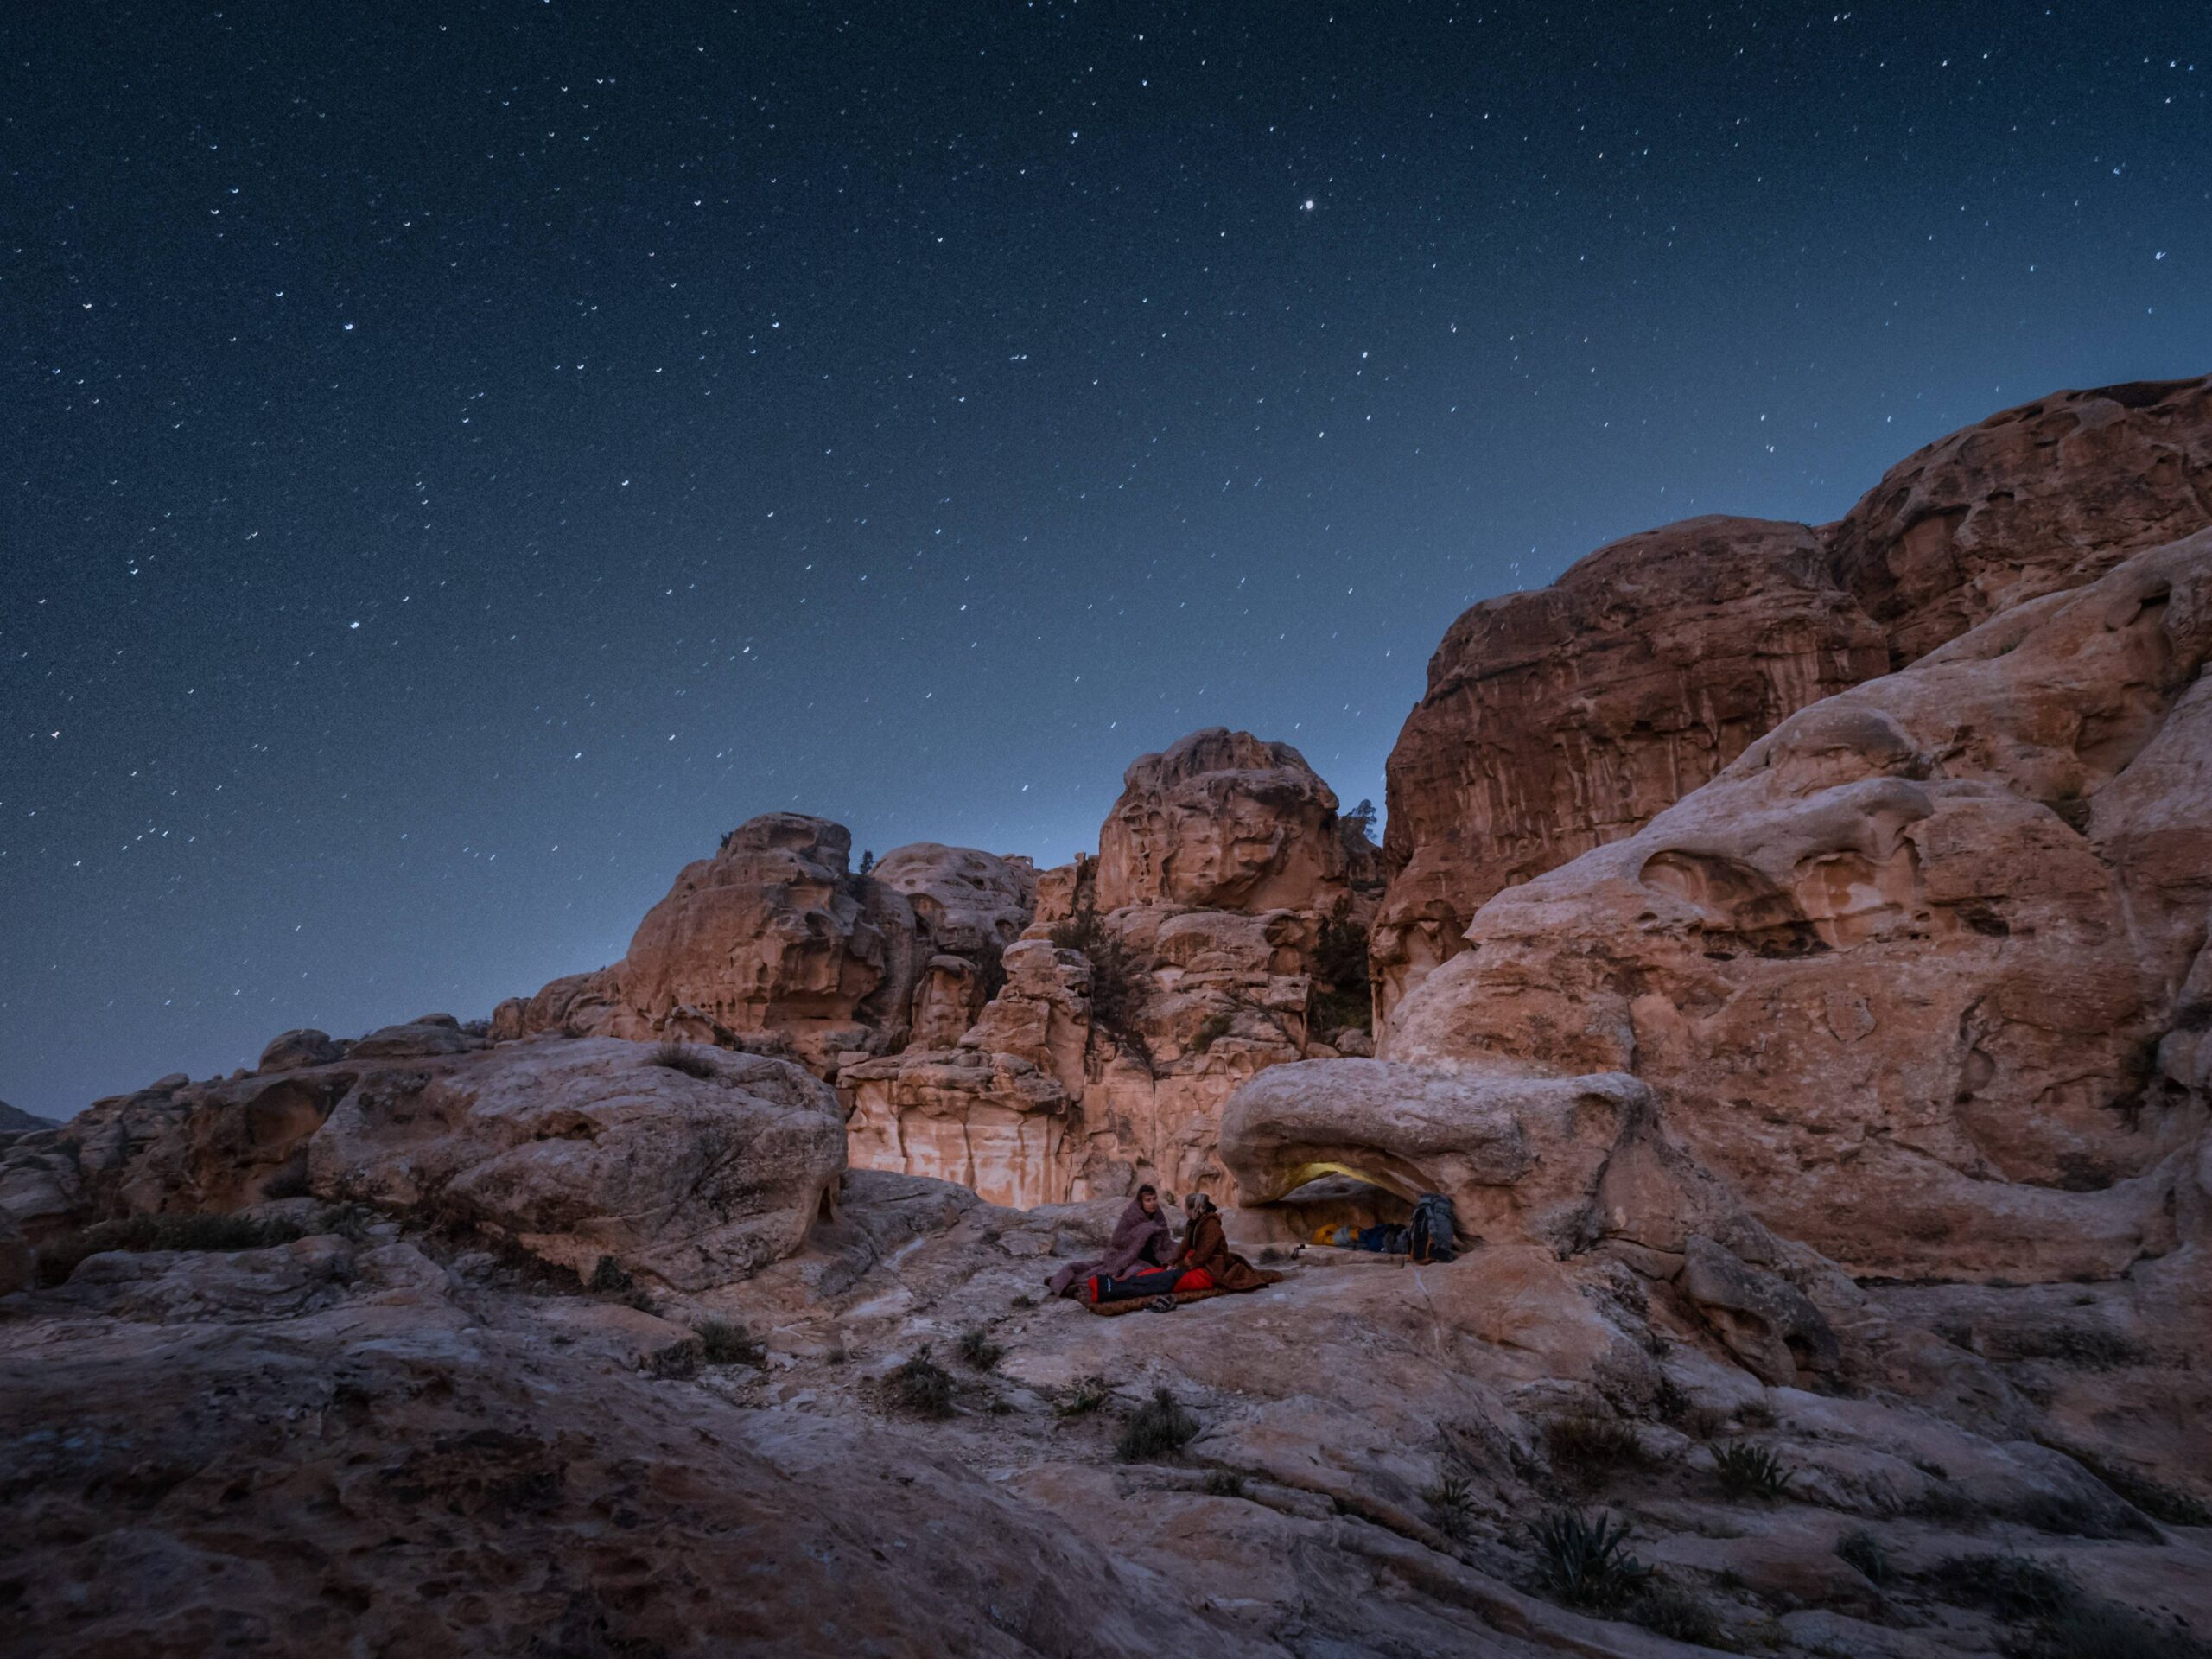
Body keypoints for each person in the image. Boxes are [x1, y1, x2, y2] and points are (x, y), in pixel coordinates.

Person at [1048, 1184, 1174, 1299]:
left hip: (1150, 1256)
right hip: (1127, 1257)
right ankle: (1074, 1287)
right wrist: (1145, 1230)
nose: (1152, 1203)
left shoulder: (1158, 1215)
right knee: (1127, 1276)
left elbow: (1165, 1239)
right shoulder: (1131, 1215)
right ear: (1141, 1202)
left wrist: (1170, 1258)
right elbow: (1118, 1241)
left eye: (1154, 1199)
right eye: (1148, 1200)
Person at [1173, 1193, 1277, 1293]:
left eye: (1185, 1207)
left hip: (1215, 1266)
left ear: (1193, 1209)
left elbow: (1203, 1253)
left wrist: (1182, 1265)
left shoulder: (1211, 1225)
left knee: (1183, 1280)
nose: (1184, 1210)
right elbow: (1185, 1245)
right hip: (1203, 1262)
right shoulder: (1192, 1223)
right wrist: (1173, 1261)